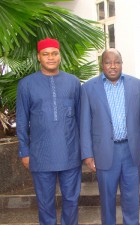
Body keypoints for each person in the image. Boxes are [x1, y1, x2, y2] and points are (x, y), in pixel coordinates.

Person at [80, 48, 140, 225]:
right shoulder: (89, 88)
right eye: (108, 62)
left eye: (117, 62)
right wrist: (87, 154)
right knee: (107, 199)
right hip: (104, 152)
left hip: (130, 150)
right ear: (102, 64)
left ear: (121, 63)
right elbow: (84, 123)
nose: (113, 66)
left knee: (131, 198)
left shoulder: (135, 84)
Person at [16, 38, 82, 225]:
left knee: (71, 200)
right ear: (39, 57)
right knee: (45, 203)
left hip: (70, 153)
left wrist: (84, 151)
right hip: (40, 155)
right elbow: (21, 120)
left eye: (54, 53)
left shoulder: (73, 82)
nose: (50, 57)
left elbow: (81, 118)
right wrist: (24, 151)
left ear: (60, 56)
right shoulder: (26, 85)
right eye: (46, 54)